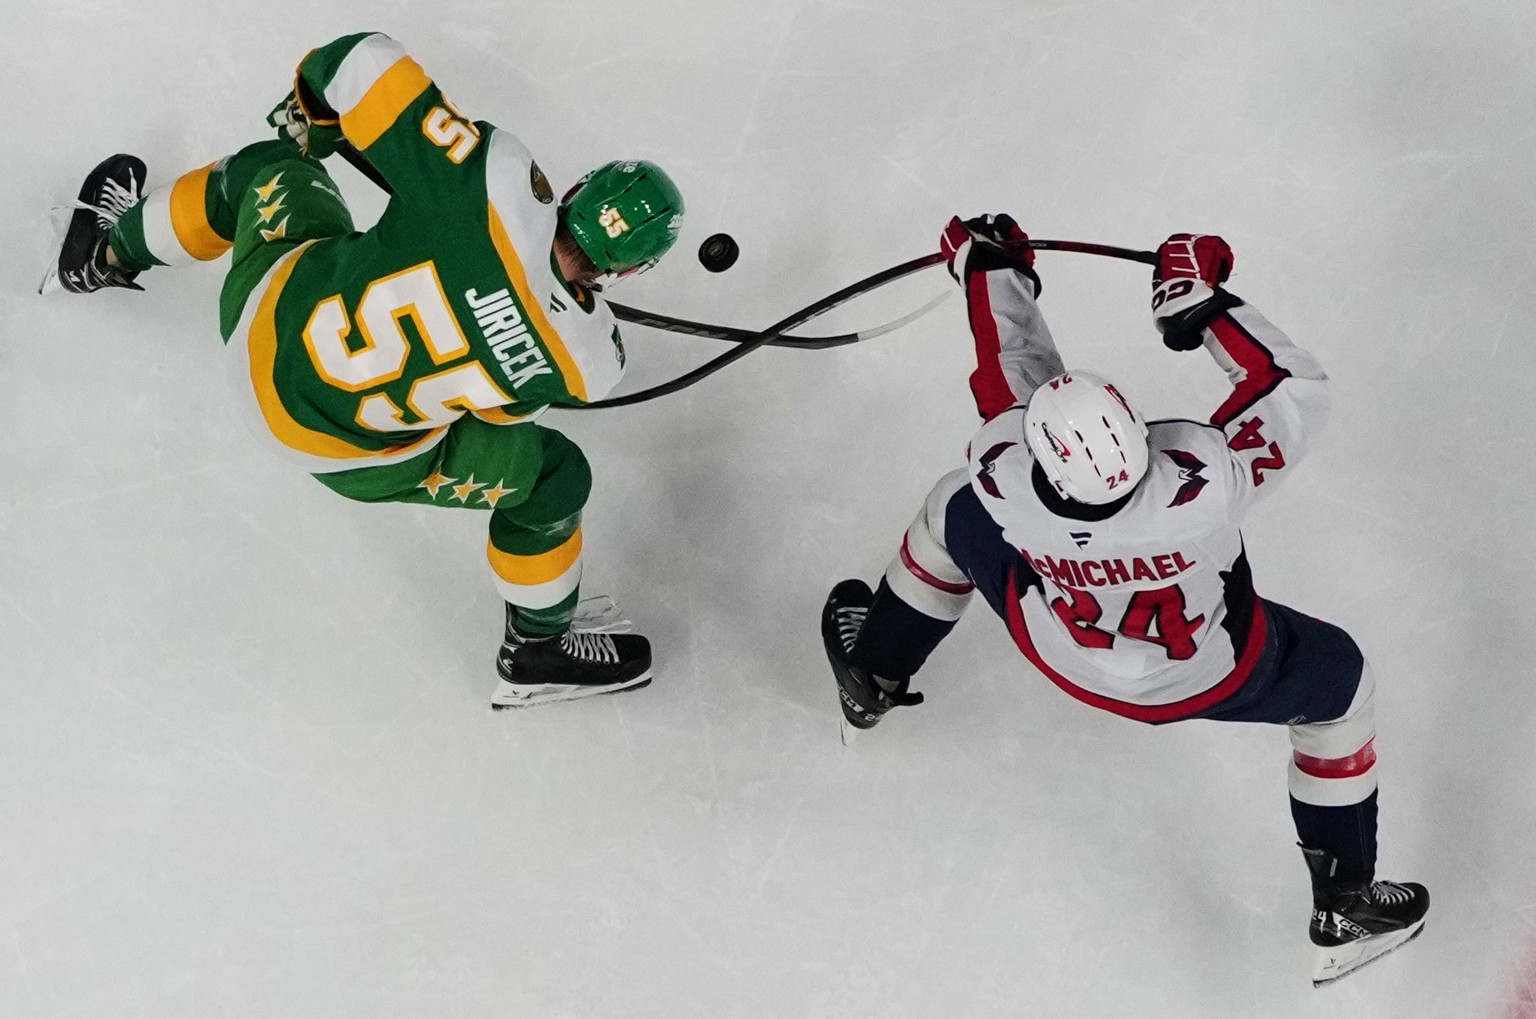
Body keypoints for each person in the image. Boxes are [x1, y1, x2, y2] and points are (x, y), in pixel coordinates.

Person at [820, 216, 1428, 986]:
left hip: (1067, 652)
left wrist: (990, 266)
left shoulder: (1006, 477)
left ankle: (870, 675)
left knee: (950, 509)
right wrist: (1198, 305)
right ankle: (1346, 904)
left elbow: (1011, 369)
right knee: (1344, 692)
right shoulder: (1207, 480)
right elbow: (1294, 389)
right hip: (1217, 671)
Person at [46, 32, 686, 708]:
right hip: (350, 457)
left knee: (266, 168)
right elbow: (494, 412)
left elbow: (354, 60)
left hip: (266, 330)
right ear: (630, 270)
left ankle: (104, 254)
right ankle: (538, 646)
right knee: (555, 477)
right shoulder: (589, 359)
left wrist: (313, 121)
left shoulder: (488, 177)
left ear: (579, 188)